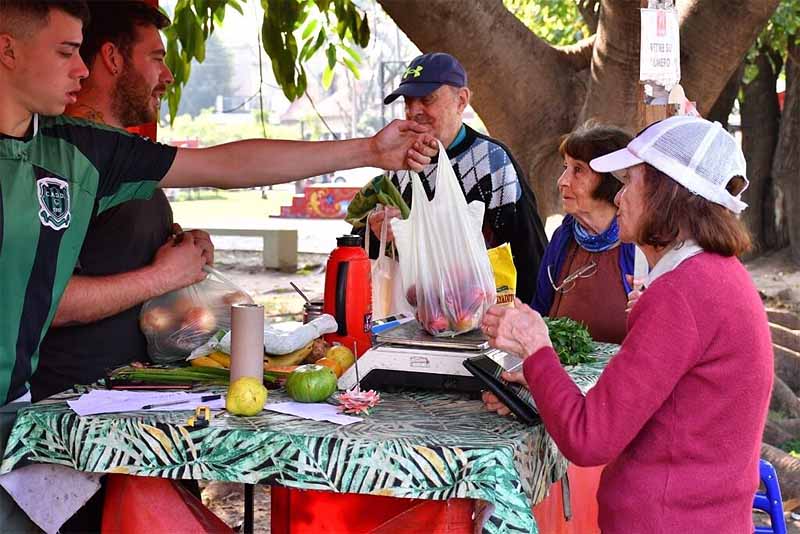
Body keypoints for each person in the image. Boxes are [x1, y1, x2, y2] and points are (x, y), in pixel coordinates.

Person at [481, 115, 772, 532]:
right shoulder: (716, 275)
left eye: (630, 182)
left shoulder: (683, 292)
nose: (619, 197)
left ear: (666, 194)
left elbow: (588, 438)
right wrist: (540, 376)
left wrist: (536, 346)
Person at [31, 1, 214, 402]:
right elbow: (47, 299)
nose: (168, 76)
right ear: (112, 57)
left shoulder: (126, 155)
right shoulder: (64, 154)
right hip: (69, 405)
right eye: (156, 58)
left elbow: (116, 250)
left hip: (129, 393)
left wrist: (183, 249)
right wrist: (163, 276)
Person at [346, 52, 547, 303]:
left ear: (461, 101)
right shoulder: (397, 163)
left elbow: (529, 251)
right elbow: (360, 246)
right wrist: (377, 232)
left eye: (426, 99)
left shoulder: (492, 161)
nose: (413, 111)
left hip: (482, 313)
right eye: (408, 101)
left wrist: (532, 318)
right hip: (412, 311)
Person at [531, 124, 634, 344]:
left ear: (610, 179)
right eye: (565, 167)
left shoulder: (640, 245)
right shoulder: (563, 238)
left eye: (578, 170)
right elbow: (539, 312)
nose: (562, 181)